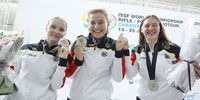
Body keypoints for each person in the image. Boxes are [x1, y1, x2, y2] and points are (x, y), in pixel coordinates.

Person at [65, 9, 127, 100]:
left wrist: (118, 52)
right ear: (88, 25)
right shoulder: (78, 43)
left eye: (101, 22)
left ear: (108, 24)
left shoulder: (115, 45)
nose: (96, 26)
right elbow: (69, 75)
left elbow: (118, 78)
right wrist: (78, 60)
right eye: (92, 22)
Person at [6, 16, 69, 100]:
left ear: (64, 33)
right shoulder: (27, 48)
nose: (56, 31)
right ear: (46, 28)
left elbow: (56, 85)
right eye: (53, 27)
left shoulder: (63, 56)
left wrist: (63, 60)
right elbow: (14, 74)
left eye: (61, 29)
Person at [125, 15, 185, 100]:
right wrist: (125, 52)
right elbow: (130, 75)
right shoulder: (137, 51)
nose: (151, 28)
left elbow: (185, 72)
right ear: (141, 29)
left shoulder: (174, 49)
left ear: (159, 28)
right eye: (147, 25)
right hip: (144, 97)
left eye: (154, 25)